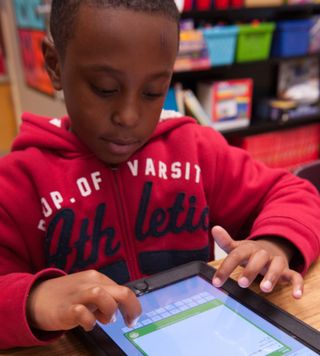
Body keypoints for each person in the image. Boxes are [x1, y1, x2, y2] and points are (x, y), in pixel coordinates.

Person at [0, 0, 319, 349]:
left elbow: (294, 193)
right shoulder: (18, 183)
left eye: (153, 92)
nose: (129, 116)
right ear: (55, 65)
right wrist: (33, 300)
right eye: (105, 88)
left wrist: (275, 243)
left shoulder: (195, 149)